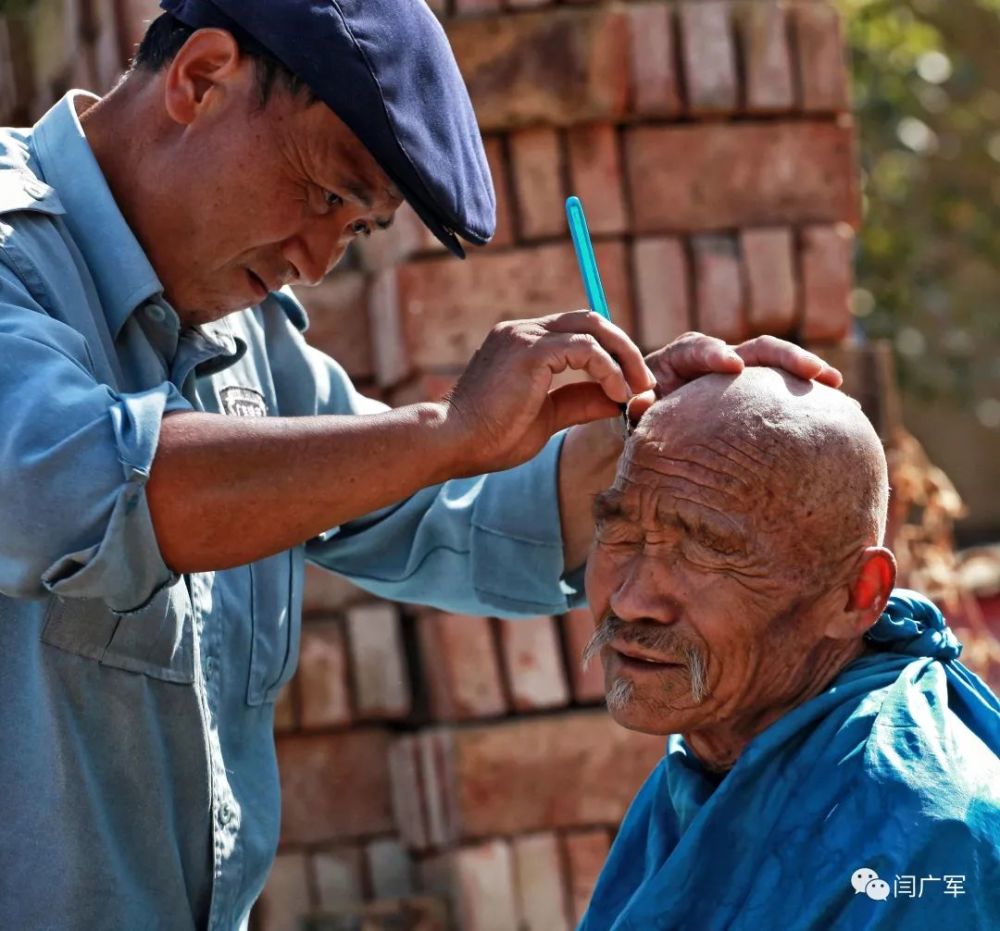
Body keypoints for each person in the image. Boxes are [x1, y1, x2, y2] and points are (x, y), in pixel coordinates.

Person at [0, 1, 841, 927]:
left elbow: (430, 508)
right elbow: (69, 489)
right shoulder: (14, 258)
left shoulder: (237, 341)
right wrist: (445, 430)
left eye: (357, 229)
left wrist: (648, 453)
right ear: (201, 77)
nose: (318, 263)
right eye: (325, 194)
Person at [580, 368, 1000, 930]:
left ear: (858, 595)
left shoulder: (925, 835)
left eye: (708, 551)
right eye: (621, 534)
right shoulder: (706, 762)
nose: (631, 601)